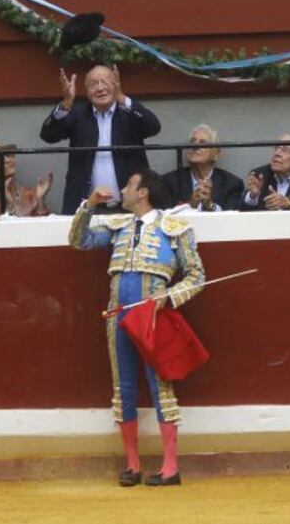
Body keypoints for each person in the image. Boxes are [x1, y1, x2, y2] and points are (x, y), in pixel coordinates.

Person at [69, 169, 205, 486]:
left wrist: (168, 296)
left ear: (143, 193)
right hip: (118, 314)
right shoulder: (119, 227)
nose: (123, 190)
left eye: (129, 185)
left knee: (161, 386)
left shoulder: (174, 228)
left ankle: (170, 467)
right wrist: (88, 205)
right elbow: (78, 240)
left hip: (152, 316)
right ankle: (132, 465)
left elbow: (197, 276)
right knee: (124, 387)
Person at [40, 65, 161, 215]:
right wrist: (66, 103)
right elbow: (48, 135)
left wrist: (121, 97)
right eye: (94, 84)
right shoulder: (78, 113)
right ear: (86, 91)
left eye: (105, 82)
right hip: (87, 207)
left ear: (116, 84)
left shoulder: (128, 112)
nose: (100, 88)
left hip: (130, 207)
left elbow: (154, 127)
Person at [163, 124, 244, 211]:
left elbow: (232, 218)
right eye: (192, 141)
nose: (195, 146)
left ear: (216, 153)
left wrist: (209, 205)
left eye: (203, 143)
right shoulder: (169, 182)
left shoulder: (231, 184)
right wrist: (190, 205)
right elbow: (164, 218)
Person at [241, 134, 290, 211]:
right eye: (276, 148)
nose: (277, 153)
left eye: (284, 150)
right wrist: (253, 195)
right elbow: (242, 210)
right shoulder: (260, 175)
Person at [0, 140, 52, 218]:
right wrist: (9, 204)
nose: (9, 160)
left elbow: (44, 227)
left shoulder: (30, 195)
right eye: (0, 158)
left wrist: (40, 199)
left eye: (9, 155)